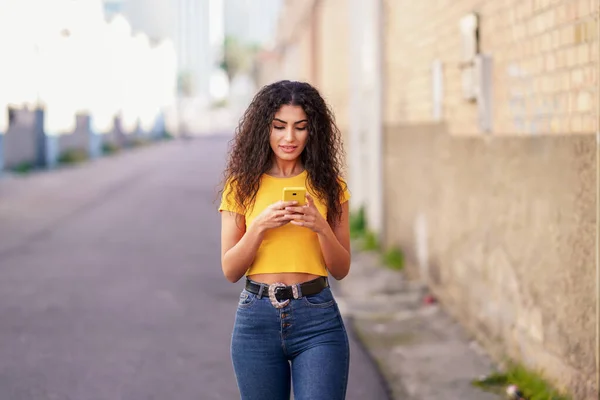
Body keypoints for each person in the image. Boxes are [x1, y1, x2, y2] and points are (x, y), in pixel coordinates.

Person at [218, 80, 352, 400]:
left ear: (313, 131)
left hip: (317, 319)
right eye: (279, 126)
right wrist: (259, 226)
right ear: (265, 128)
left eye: (300, 127)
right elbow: (230, 270)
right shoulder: (241, 187)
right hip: (256, 320)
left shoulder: (331, 186)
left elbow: (342, 268)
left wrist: (320, 227)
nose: (289, 137)